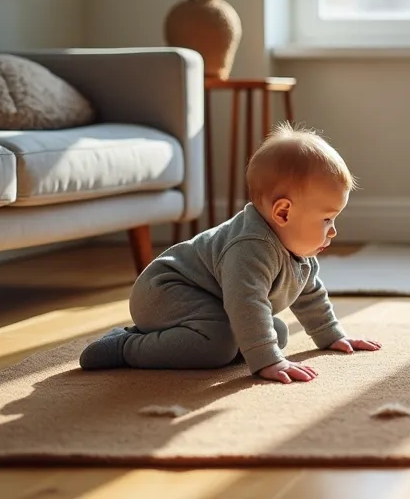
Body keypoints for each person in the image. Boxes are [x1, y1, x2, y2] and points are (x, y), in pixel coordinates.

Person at [78, 122, 380, 383]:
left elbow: (309, 293)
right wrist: (268, 360)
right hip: (166, 291)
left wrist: (332, 335)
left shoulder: (297, 250)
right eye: (327, 218)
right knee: (220, 346)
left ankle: (169, 338)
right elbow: (245, 302)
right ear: (284, 213)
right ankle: (125, 345)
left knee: (276, 333)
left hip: (209, 298)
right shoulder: (251, 247)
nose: (333, 230)